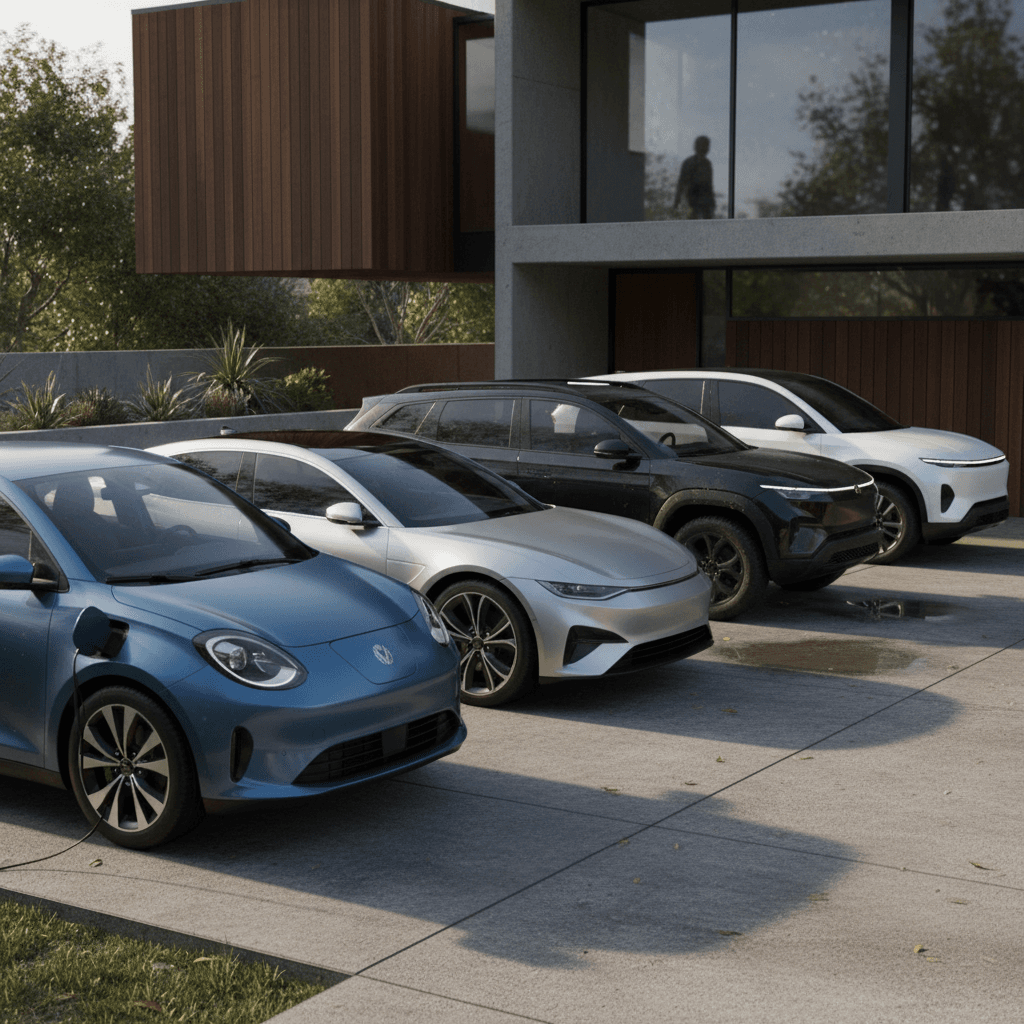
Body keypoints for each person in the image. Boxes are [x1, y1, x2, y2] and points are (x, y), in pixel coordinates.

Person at [673, 136, 714, 219]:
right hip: (692, 201)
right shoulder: (688, 163)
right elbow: (681, 183)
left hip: (705, 204)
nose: (704, 148)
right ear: (696, 146)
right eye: (702, 145)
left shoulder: (707, 164)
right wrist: (677, 201)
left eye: (706, 146)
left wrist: (712, 204)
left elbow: (709, 185)